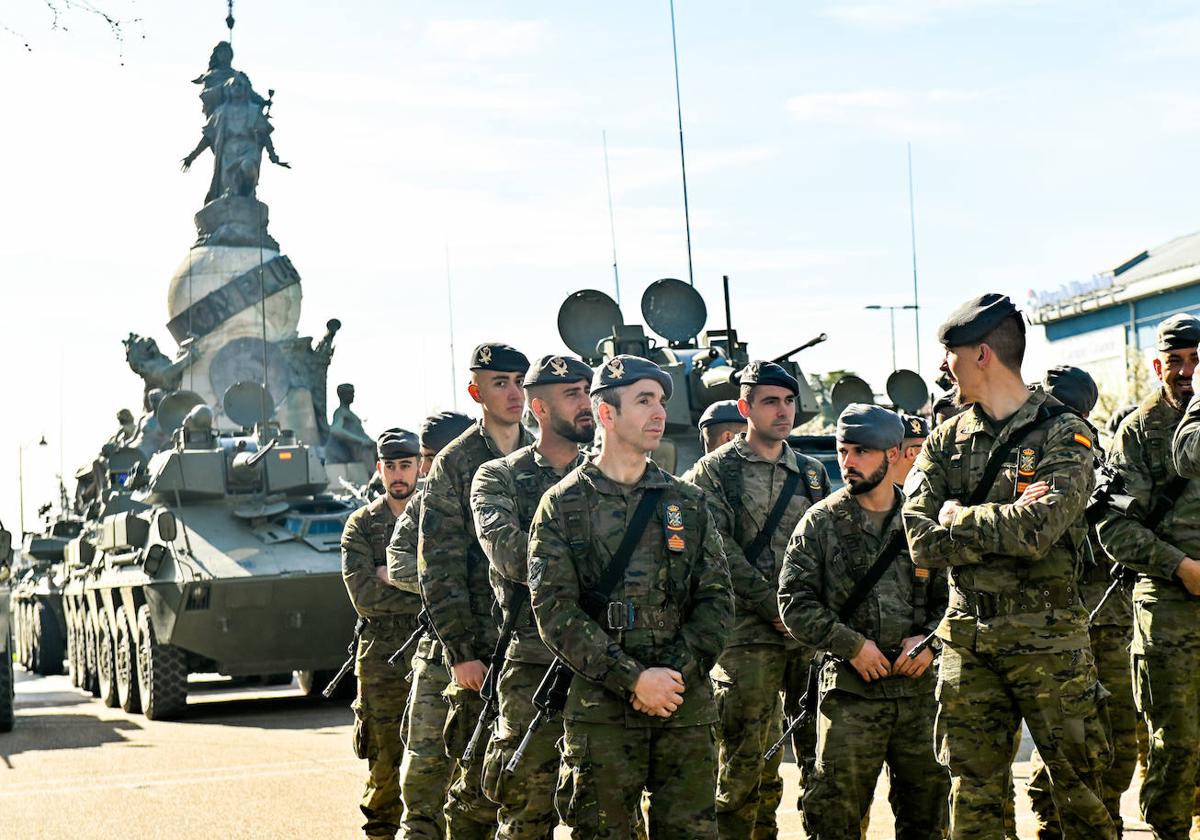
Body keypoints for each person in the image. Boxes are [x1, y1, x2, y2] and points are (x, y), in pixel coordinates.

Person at [902, 293, 1114, 839]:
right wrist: (1004, 518)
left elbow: (1040, 530)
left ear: (980, 355)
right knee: (972, 798)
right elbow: (921, 540)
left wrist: (960, 516)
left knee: (1080, 793)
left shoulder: (1065, 432)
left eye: (949, 354)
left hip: (1051, 642)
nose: (942, 368)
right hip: (967, 639)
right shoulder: (945, 440)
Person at [528, 354, 733, 839]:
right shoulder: (562, 505)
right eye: (644, 401)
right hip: (601, 709)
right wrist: (634, 678)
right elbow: (554, 611)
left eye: (661, 401)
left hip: (684, 705)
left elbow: (718, 600)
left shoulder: (686, 502)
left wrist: (673, 677)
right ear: (606, 413)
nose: (659, 412)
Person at [780, 404, 948, 839]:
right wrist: (851, 645)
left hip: (918, 697)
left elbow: (953, 598)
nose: (848, 462)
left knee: (928, 815)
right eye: (843, 451)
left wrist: (930, 642)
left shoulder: (920, 522)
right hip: (851, 695)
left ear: (893, 454)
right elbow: (794, 602)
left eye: (861, 452)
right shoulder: (821, 523)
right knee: (834, 816)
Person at [682, 361, 829, 838]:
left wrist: (808, 611)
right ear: (745, 407)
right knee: (746, 764)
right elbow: (718, 550)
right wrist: (776, 607)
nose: (783, 411)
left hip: (807, 634)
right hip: (746, 636)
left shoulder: (808, 472)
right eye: (770, 401)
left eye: (788, 401)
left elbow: (826, 547)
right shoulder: (712, 473)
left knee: (823, 757)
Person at [470, 354, 594, 839]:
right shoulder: (498, 478)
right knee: (527, 813)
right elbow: (513, 558)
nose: (586, 404)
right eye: (572, 394)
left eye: (588, 392)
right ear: (538, 408)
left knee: (610, 814)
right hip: (533, 664)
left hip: (607, 662)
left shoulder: (613, 475)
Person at [418, 343, 533, 839]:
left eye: (520, 383)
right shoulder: (455, 462)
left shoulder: (543, 453)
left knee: (536, 787)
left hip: (537, 643)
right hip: (482, 649)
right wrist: (461, 651)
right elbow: (437, 566)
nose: (514, 393)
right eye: (500, 383)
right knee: (476, 791)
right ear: (475, 391)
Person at [1097, 314, 1200, 837]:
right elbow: (1112, 525)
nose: (1187, 372)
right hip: (1171, 610)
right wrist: (1181, 568)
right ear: (1158, 366)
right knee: (1176, 742)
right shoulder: (1137, 432)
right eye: (1176, 362)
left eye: (1196, 360)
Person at [1022, 365, 1136, 838]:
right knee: (1061, 736)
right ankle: (1054, 819)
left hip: (1107, 622)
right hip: (1047, 623)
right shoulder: (1021, 462)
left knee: (1118, 737)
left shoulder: (1106, 467)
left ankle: (1103, 815)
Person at [386, 410, 474, 840]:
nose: (424, 468)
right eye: (423, 457)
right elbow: (397, 561)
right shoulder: (422, 503)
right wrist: (445, 577)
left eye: (433, 457)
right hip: (439, 653)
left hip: (502, 651)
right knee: (423, 763)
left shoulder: (504, 488)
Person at [340, 429, 424, 840]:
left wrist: (393, 577)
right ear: (380, 469)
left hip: (435, 648)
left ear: (419, 466)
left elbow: (456, 586)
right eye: (390, 466)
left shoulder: (437, 517)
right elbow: (364, 596)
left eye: (405, 465)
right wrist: (423, 586)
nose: (398, 474)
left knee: (438, 762)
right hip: (381, 660)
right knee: (385, 763)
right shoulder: (362, 524)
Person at [325, 384, 376, 466]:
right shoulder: (341, 412)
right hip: (356, 453)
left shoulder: (351, 414)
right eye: (350, 393)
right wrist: (361, 441)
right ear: (342, 395)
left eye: (353, 393)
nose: (353, 395)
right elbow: (336, 430)